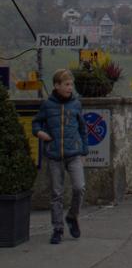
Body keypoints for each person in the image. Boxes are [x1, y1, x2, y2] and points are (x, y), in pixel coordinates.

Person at [32, 68, 88, 244]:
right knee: (57, 193)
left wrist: (84, 151)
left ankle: (72, 217)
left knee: (79, 187)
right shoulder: (47, 105)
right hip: (54, 155)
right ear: (56, 86)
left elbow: (83, 129)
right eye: (66, 84)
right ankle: (57, 228)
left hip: (74, 154)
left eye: (71, 84)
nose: (70, 88)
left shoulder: (76, 104)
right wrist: (41, 134)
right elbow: (36, 124)